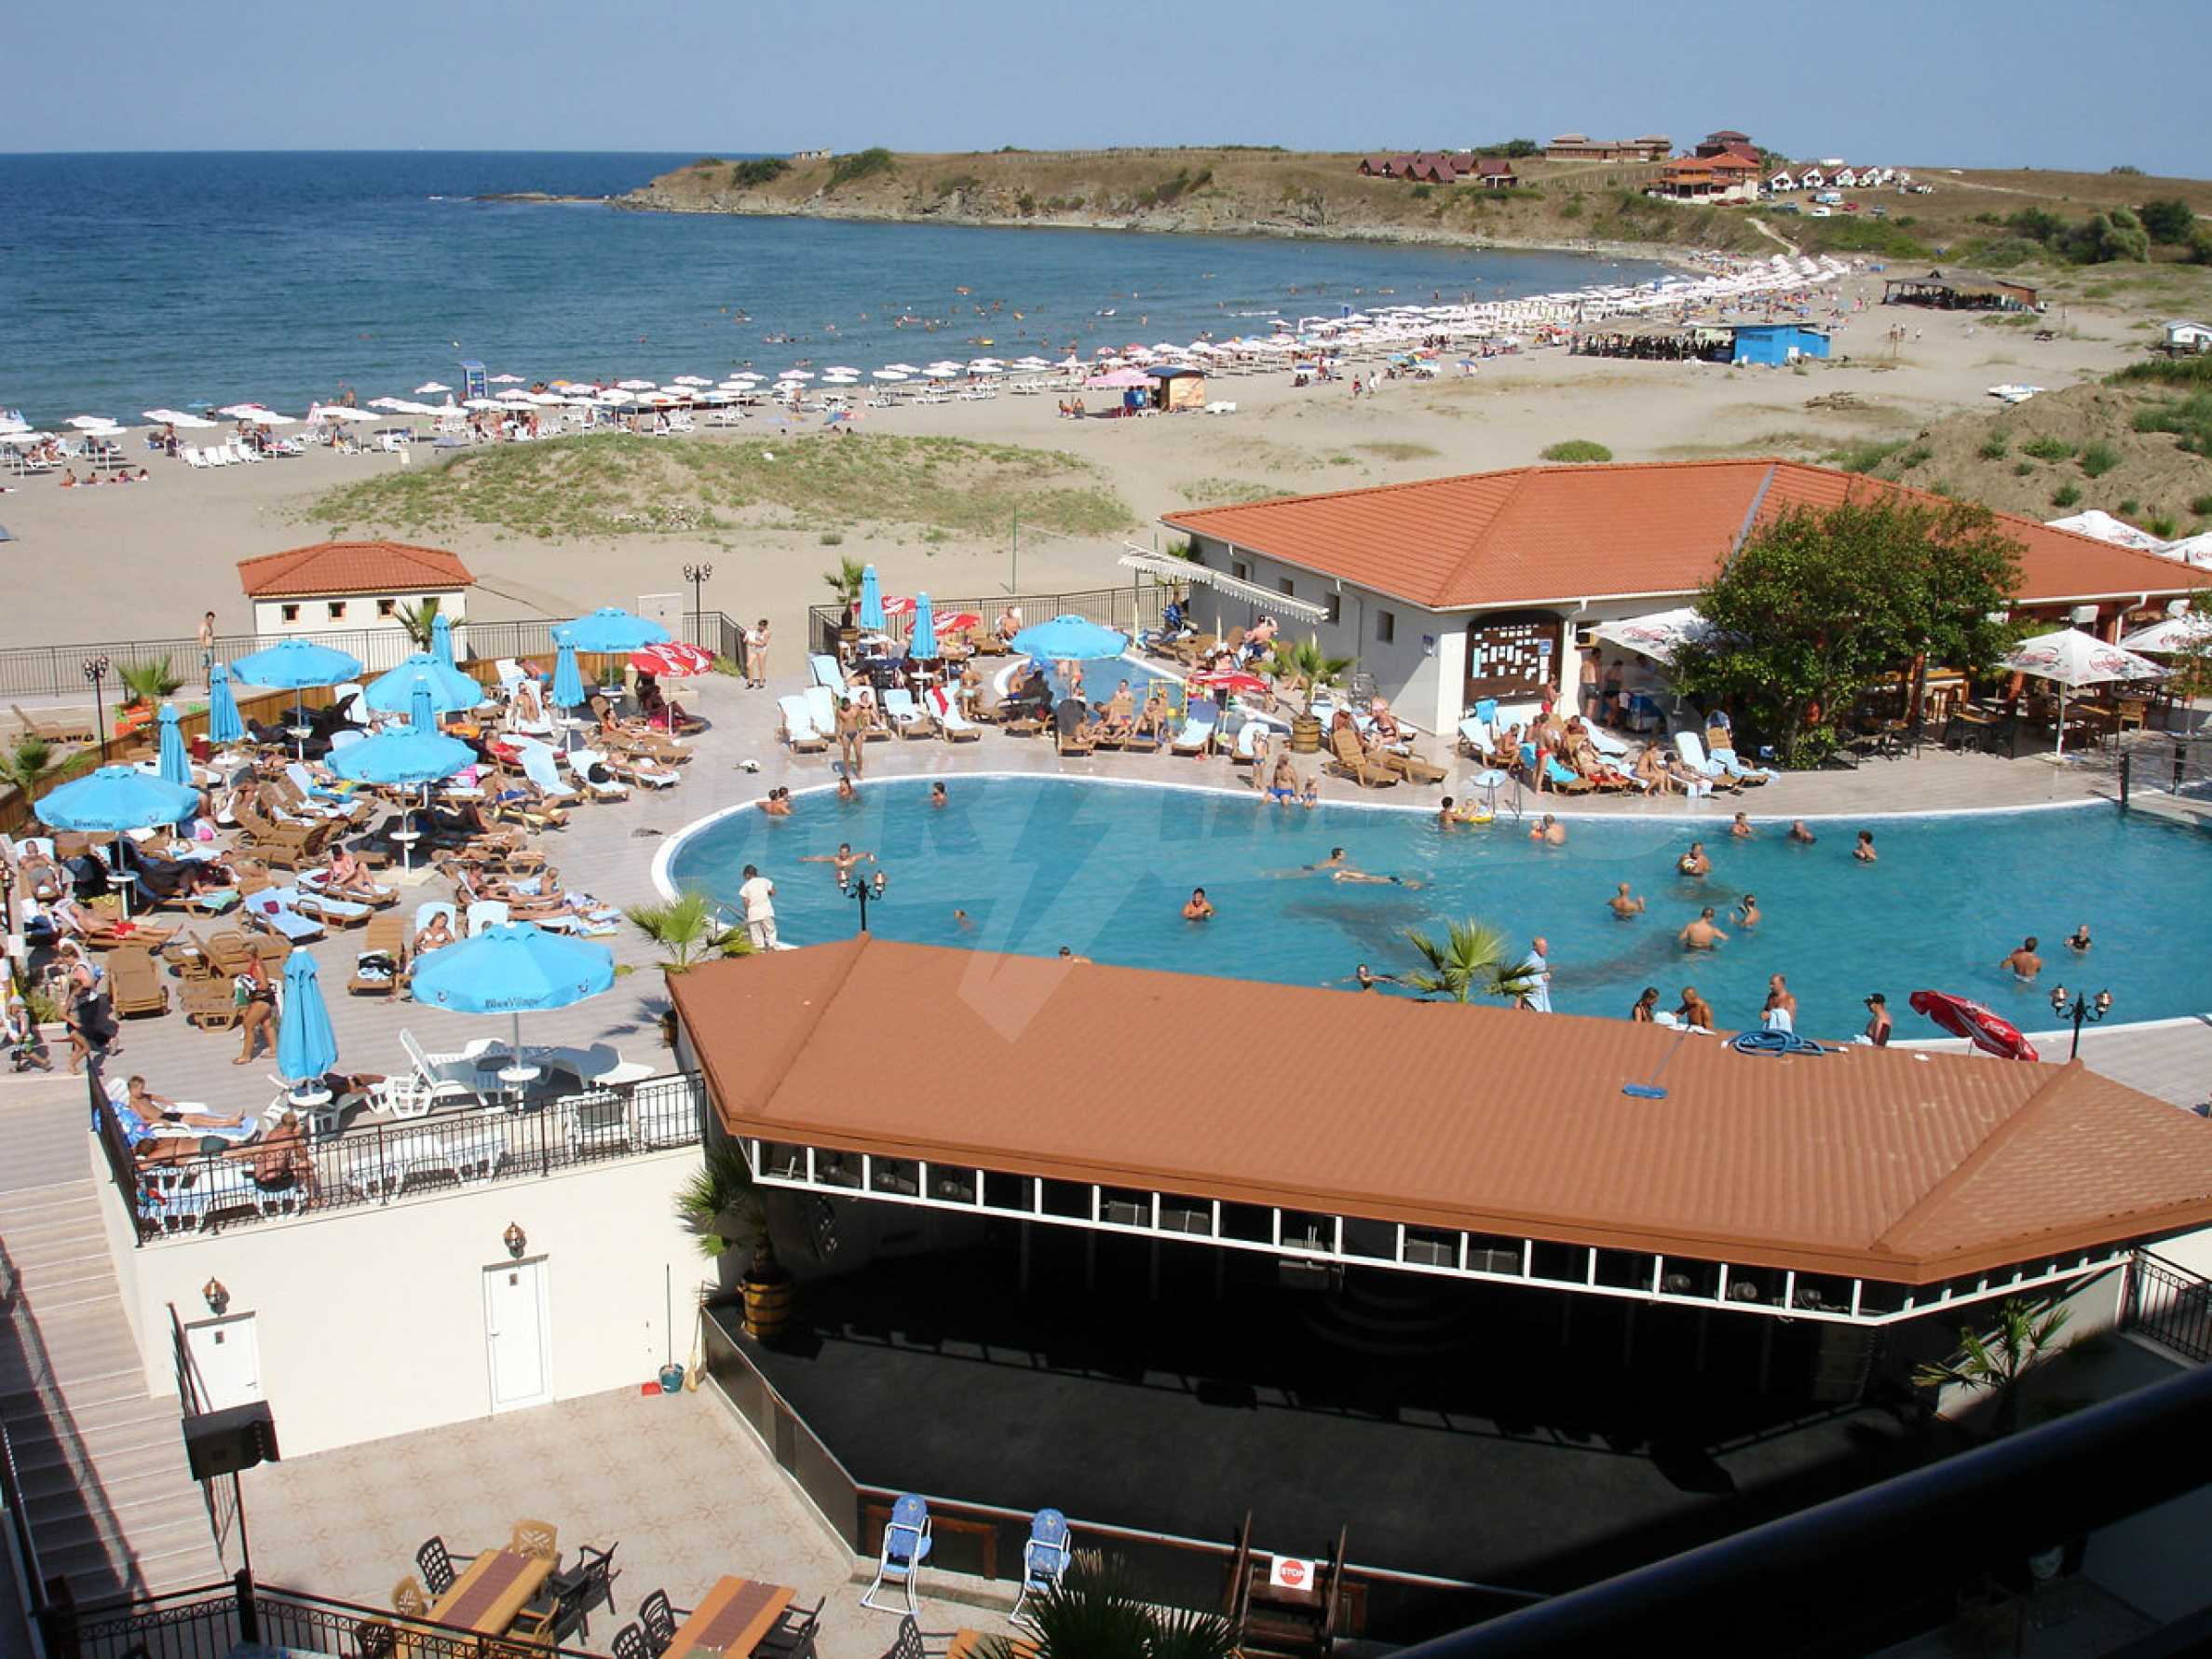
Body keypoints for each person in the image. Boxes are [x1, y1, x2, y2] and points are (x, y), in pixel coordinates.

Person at [125, 1076, 247, 1130]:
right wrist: (160, 1122)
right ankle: (229, 1123)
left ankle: (230, 1120)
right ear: (133, 1089)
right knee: (198, 1121)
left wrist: (168, 1101)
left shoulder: (142, 1096)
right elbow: (142, 1121)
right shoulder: (133, 1105)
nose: (142, 1091)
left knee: (198, 1116)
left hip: (166, 1115)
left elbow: (153, 1096)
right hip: (162, 1120)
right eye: (140, 1089)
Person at [737, 863, 778, 950]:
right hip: (767, 911)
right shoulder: (765, 881)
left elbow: (746, 901)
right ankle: (771, 948)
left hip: (754, 913)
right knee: (771, 931)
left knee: (757, 936)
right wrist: (767, 893)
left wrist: (747, 913)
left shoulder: (746, 886)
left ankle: (760, 950)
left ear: (747, 875)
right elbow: (773, 892)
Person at [801, 842, 875, 887]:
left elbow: (867, 854)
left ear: (849, 853)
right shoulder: (836, 859)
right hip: (839, 874)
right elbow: (822, 859)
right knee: (841, 878)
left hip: (851, 873)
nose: (843, 854)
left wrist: (871, 859)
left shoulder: (853, 858)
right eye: (841, 852)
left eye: (845, 852)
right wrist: (807, 859)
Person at [834, 695, 866, 777]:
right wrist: (837, 737)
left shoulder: (856, 709)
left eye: (847, 706)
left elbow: (862, 719)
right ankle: (847, 772)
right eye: (844, 707)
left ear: (849, 704)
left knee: (858, 753)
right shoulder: (839, 711)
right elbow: (838, 723)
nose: (846, 708)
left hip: (856, 733)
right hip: (845, 734)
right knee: (846, 754)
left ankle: (859, 771)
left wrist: (863, 732)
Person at [1520, 937, 1553, 1013]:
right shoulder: (1532, 959)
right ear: (1535, 947)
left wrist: (1544, 976)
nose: (1545, 949)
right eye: (1542, 947)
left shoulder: (1540, 958)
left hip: (1540, 995)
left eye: (1546, 947)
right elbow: (1521, 977)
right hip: (1533, 996)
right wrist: (1541, 978)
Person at [744, 619, 770, 688]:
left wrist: (753, 642)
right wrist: (747, 639)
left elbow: (763, 643)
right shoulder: (756, 631)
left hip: (762, 650)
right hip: (754, 650)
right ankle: (750, 682)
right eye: (760, 625)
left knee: (761, 667)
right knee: (749, 665)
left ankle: (761, 683)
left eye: (762, 626)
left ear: (765, 626)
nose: (760, 627)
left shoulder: (767, 633)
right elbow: (750, 635)